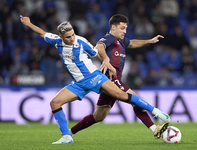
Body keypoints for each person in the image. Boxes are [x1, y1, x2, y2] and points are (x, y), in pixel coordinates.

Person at [20, 15, 170, 144]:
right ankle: (67, 136)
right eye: (68, 37)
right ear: (61, 37)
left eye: (73, 35)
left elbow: (97, 50)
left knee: (121, 95)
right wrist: (28, 24)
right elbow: (43, 33)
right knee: (55, 103)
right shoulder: (56, 40)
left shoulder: (81, 41)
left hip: (93, 77)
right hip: (78, 83)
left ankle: (155, 112)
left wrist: (106, 60)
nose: (72, 39)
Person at [70, 14, 169, 140]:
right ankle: (154, 127)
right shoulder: (109, 38)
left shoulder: (121, 41)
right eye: (122, 28)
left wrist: (149, 41)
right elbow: (99, 46)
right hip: (110, 79)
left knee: (98, 116)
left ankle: (70, 132)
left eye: (126, 28)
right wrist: (106, 59)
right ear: (113, 27)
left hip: (114, 81)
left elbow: (132, 43)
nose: (125, 31)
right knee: (136, 100)